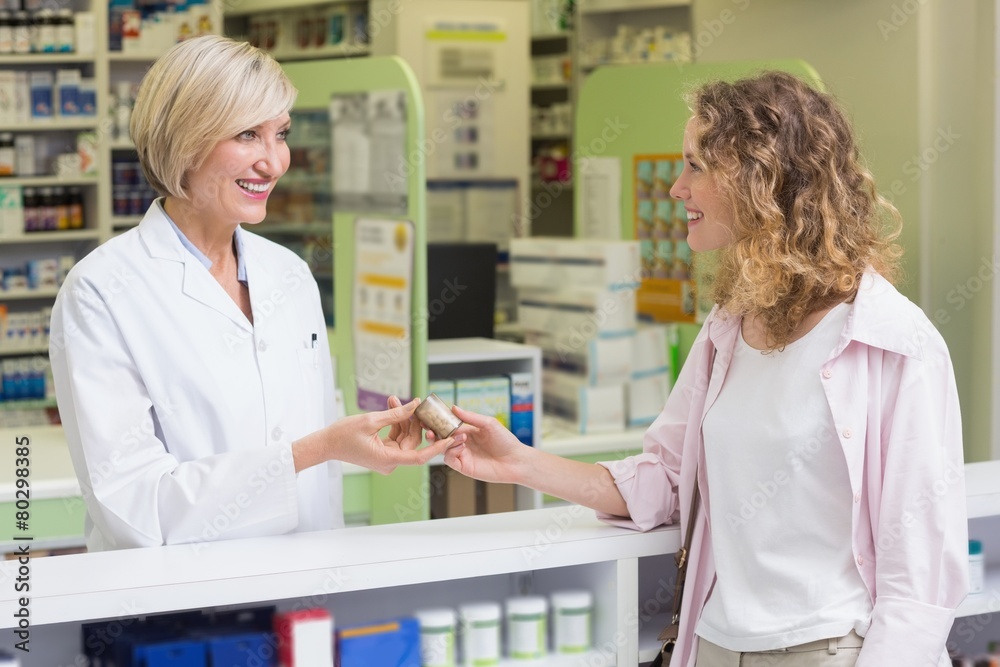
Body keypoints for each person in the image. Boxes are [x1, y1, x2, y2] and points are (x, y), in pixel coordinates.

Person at [432, 71, 968, 667]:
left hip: (830, 652)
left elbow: (919, 576)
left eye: (695, 166)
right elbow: (666, 478)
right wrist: (519, 463)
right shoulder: (728, 328)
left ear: (761, 179)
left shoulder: (892, 342)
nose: (675, 188)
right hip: (713, 645)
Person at [49, 35, 455, 552]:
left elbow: (318, 475)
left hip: (306, 587)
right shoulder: (101, 292)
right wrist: (316, 449)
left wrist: (345, 452)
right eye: (247, 135)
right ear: (184, 140)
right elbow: (137, 510)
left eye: (280, 134)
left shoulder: (288, 273)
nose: (274, 163)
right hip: (180, 608)